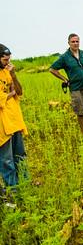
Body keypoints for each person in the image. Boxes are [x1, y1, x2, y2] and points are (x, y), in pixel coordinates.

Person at [49, 34, 83, 136]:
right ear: (68, 43)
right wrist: (65, 79)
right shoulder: (64, 57)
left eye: (77, 41)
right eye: (73, 41)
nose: (75, 43)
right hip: (76, 89)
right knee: (80, 113)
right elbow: (52, 69)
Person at [0, 44, 28, 205]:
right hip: (2, 125)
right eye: (5, 59)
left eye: (9, 58)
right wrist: (10, 93)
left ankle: (25, 186)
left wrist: (14, 75)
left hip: (15, 120)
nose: (8, 61)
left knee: (20, 157)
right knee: (6, 161)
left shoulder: (8, 72)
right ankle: (14, 193)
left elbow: (19, 91)